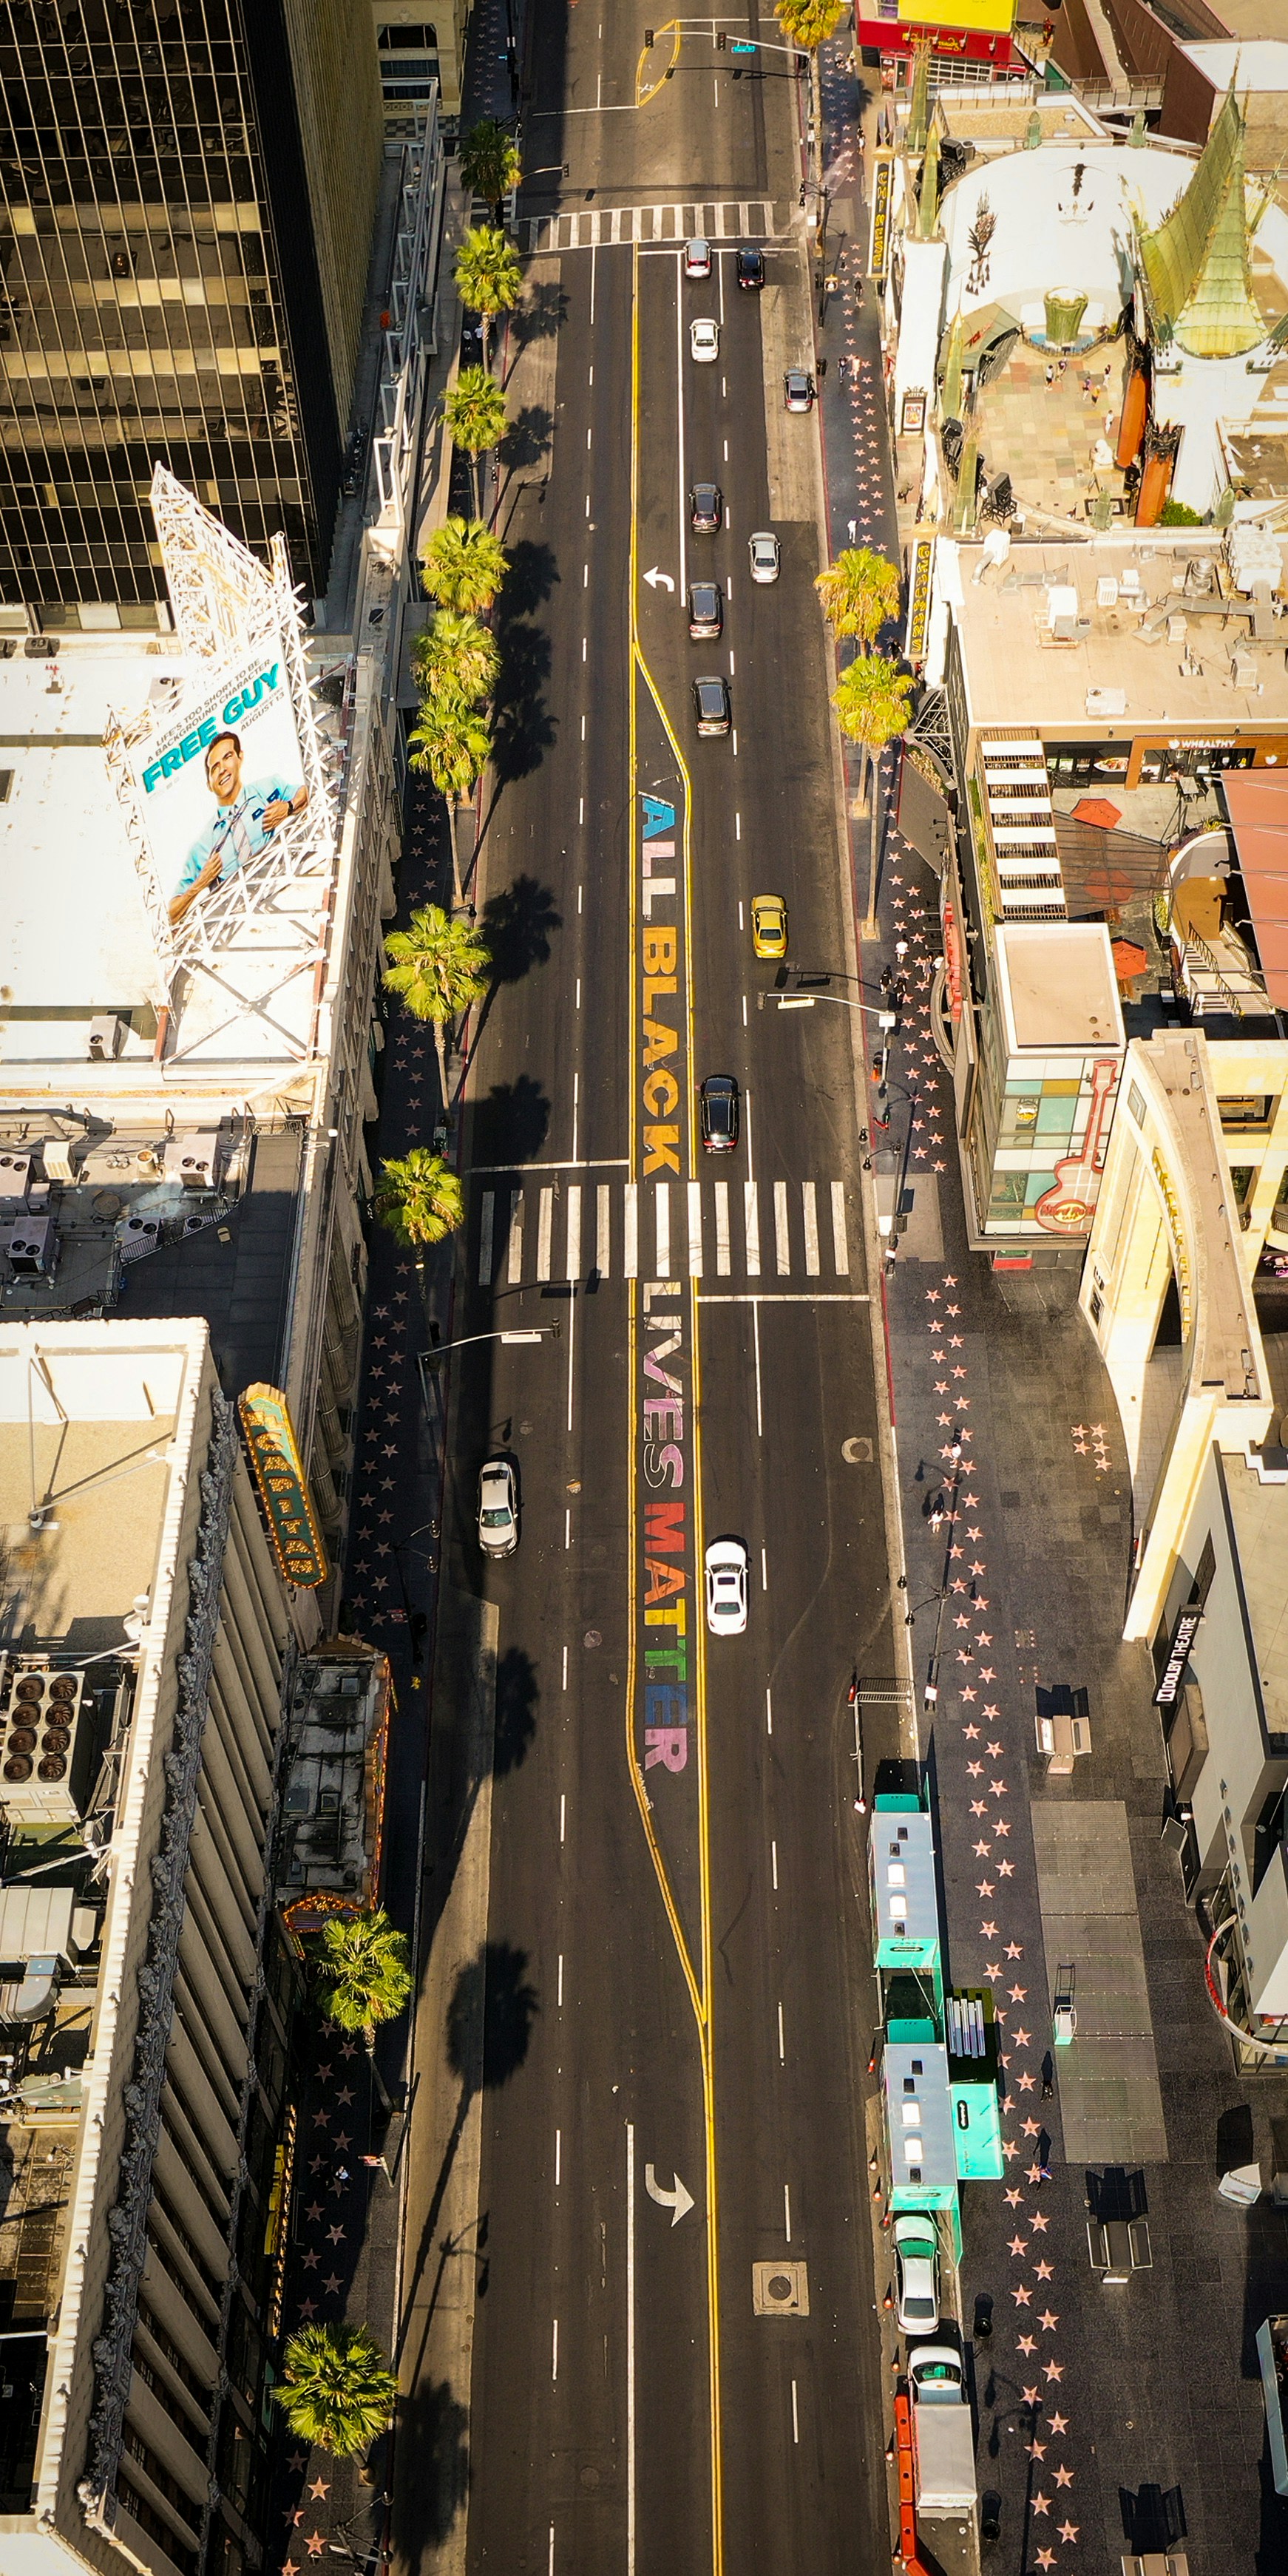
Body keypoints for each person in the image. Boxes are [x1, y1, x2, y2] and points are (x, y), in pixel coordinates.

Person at [169, 729, 309, 925]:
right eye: (214, 768)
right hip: (240, 922)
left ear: (240, 758)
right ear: (209, 784)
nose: (222, 770)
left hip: (286, 888)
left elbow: (307, 792)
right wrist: (199, 884)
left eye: (227, 757)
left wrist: (289, 807)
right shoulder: (203, 846)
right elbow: (171, 915)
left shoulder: (267, 788)